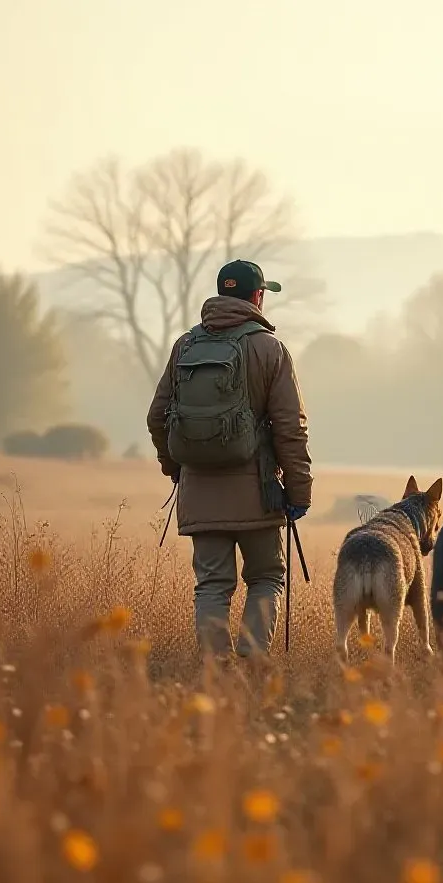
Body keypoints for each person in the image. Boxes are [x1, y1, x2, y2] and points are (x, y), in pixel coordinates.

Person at [147, 259, 312, 661]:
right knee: (266, 577)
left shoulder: (185, 346)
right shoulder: (270, 349)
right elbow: (291, 429)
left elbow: (157, 417)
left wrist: (176, 468)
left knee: (212, 586)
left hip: (199, 491)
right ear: (258, 297)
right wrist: (299, 492)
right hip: (259, 493)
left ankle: (215, 671)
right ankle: (252, 665)